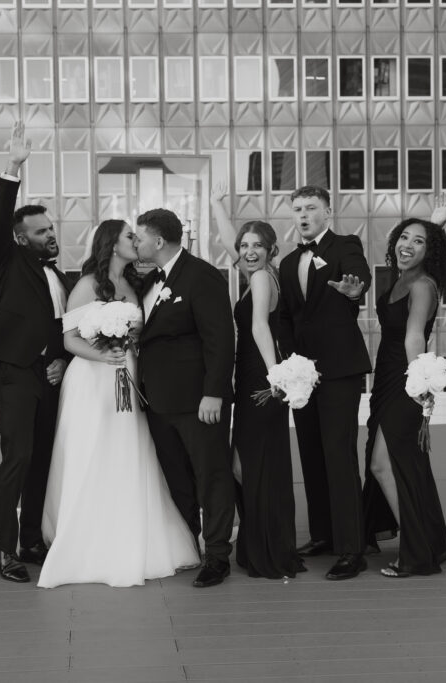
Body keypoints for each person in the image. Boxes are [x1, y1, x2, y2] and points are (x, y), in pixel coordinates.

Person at [37, 220, 200, 588]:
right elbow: (70, 341)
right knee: (94, 452)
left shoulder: (137, 283)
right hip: (93, 382)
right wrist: (104, 357)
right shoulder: (87, 285)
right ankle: (87, 537)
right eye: (130, 235)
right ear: (112, 244)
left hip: (128, 377)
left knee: (129, 453)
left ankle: (132, 532)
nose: (135, 241)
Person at [0, 122, 71, 583]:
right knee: (17, 458)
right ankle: (5, 549)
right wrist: (12, 167)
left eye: (50, 228)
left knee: (42, 458)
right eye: (39, 231)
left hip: (50, 375)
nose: (49, 235)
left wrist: (62, 358)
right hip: (13, 370)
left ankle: (32, 539)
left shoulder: (61, 274)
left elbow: (61, 324)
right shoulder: (8, 260)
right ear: (21, 238)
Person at [134, 208, 236, 588]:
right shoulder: (148, 281)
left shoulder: (202, 276)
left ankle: (218, 555)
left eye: (139, 236)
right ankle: (188, 545)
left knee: (211, 475)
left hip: (198, 401)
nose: (135, 243)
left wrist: (214, 393)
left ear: (158, 241)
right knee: (177, 478)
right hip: (158, 401)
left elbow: (220, 339)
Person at [276, 185, 373, 580]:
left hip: (339, 369)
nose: (303, 214)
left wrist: (356, 288)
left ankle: (352, 548)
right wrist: (288, 366)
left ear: (327, 212)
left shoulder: (344, 245)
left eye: (311, 207)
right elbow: (285, 316)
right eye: (297, 209)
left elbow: (359, 275)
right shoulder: (286, 262)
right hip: (303, 374)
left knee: (338, 454)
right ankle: (323, 534)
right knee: (312, 455)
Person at [209, 185, 304, 579]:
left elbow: (261, 327)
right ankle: (258, 541)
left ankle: (266, 545)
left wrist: (274, 375)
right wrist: (216, 205)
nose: (248, 251)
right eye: (244, 245)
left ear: (270, 250)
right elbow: (233, 244)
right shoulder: (257, 274)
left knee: (251, 464)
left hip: (260, 380)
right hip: (254, 377)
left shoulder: (262, 278)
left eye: (257, 245)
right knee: (246, 464)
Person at [361, 208, 446, 578]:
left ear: (429, 252)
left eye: (419, 242)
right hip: (385, 381)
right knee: (400, 464)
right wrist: (431, 226)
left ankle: (418, 554)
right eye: (404, 238)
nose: (407, 245)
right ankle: (429, 543)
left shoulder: (421, 285)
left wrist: (418, 388)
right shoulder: (403, 278)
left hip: (405, 381)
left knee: (383, 464)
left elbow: (415, 334)